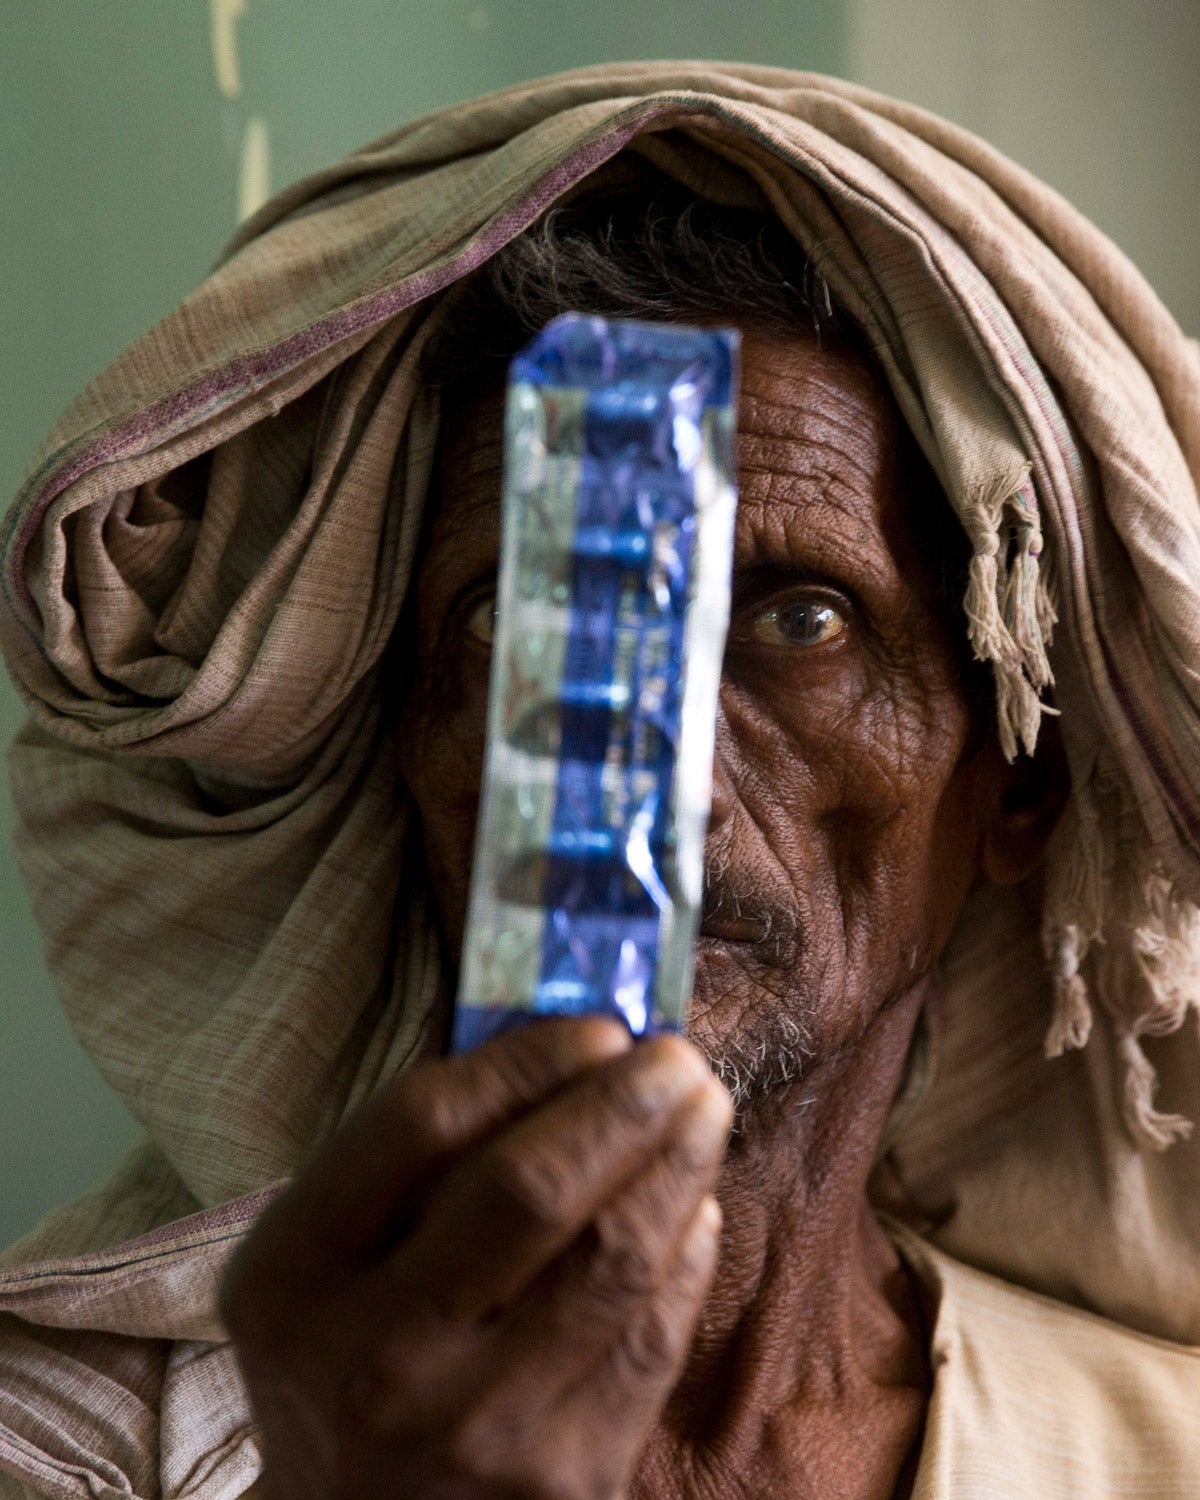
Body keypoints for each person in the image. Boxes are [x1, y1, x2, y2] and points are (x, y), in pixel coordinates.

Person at [1, 63, 1198, 1500]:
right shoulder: (74, 1444)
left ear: (1018, 790)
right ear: (417, 748)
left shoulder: (1153, 1451)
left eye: (800, 621)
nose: (660, 791)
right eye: (523, 622)